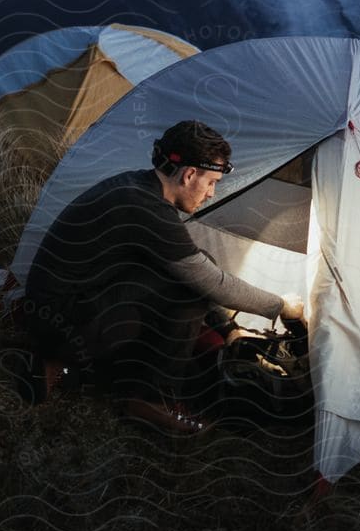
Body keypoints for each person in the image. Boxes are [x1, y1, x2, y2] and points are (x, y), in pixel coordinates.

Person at [21, 119, 303, 432]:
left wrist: (228, 329)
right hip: (61, 321)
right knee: (190, 288)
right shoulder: (147, 208)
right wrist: (280, 306)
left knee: (188, 272)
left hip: (57, 309)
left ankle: (64, 366)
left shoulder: (138, 187)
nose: (211, 193)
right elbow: (209, 281)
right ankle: (146, 399)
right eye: (211, 182)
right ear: (189, 174)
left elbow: (191, 268)